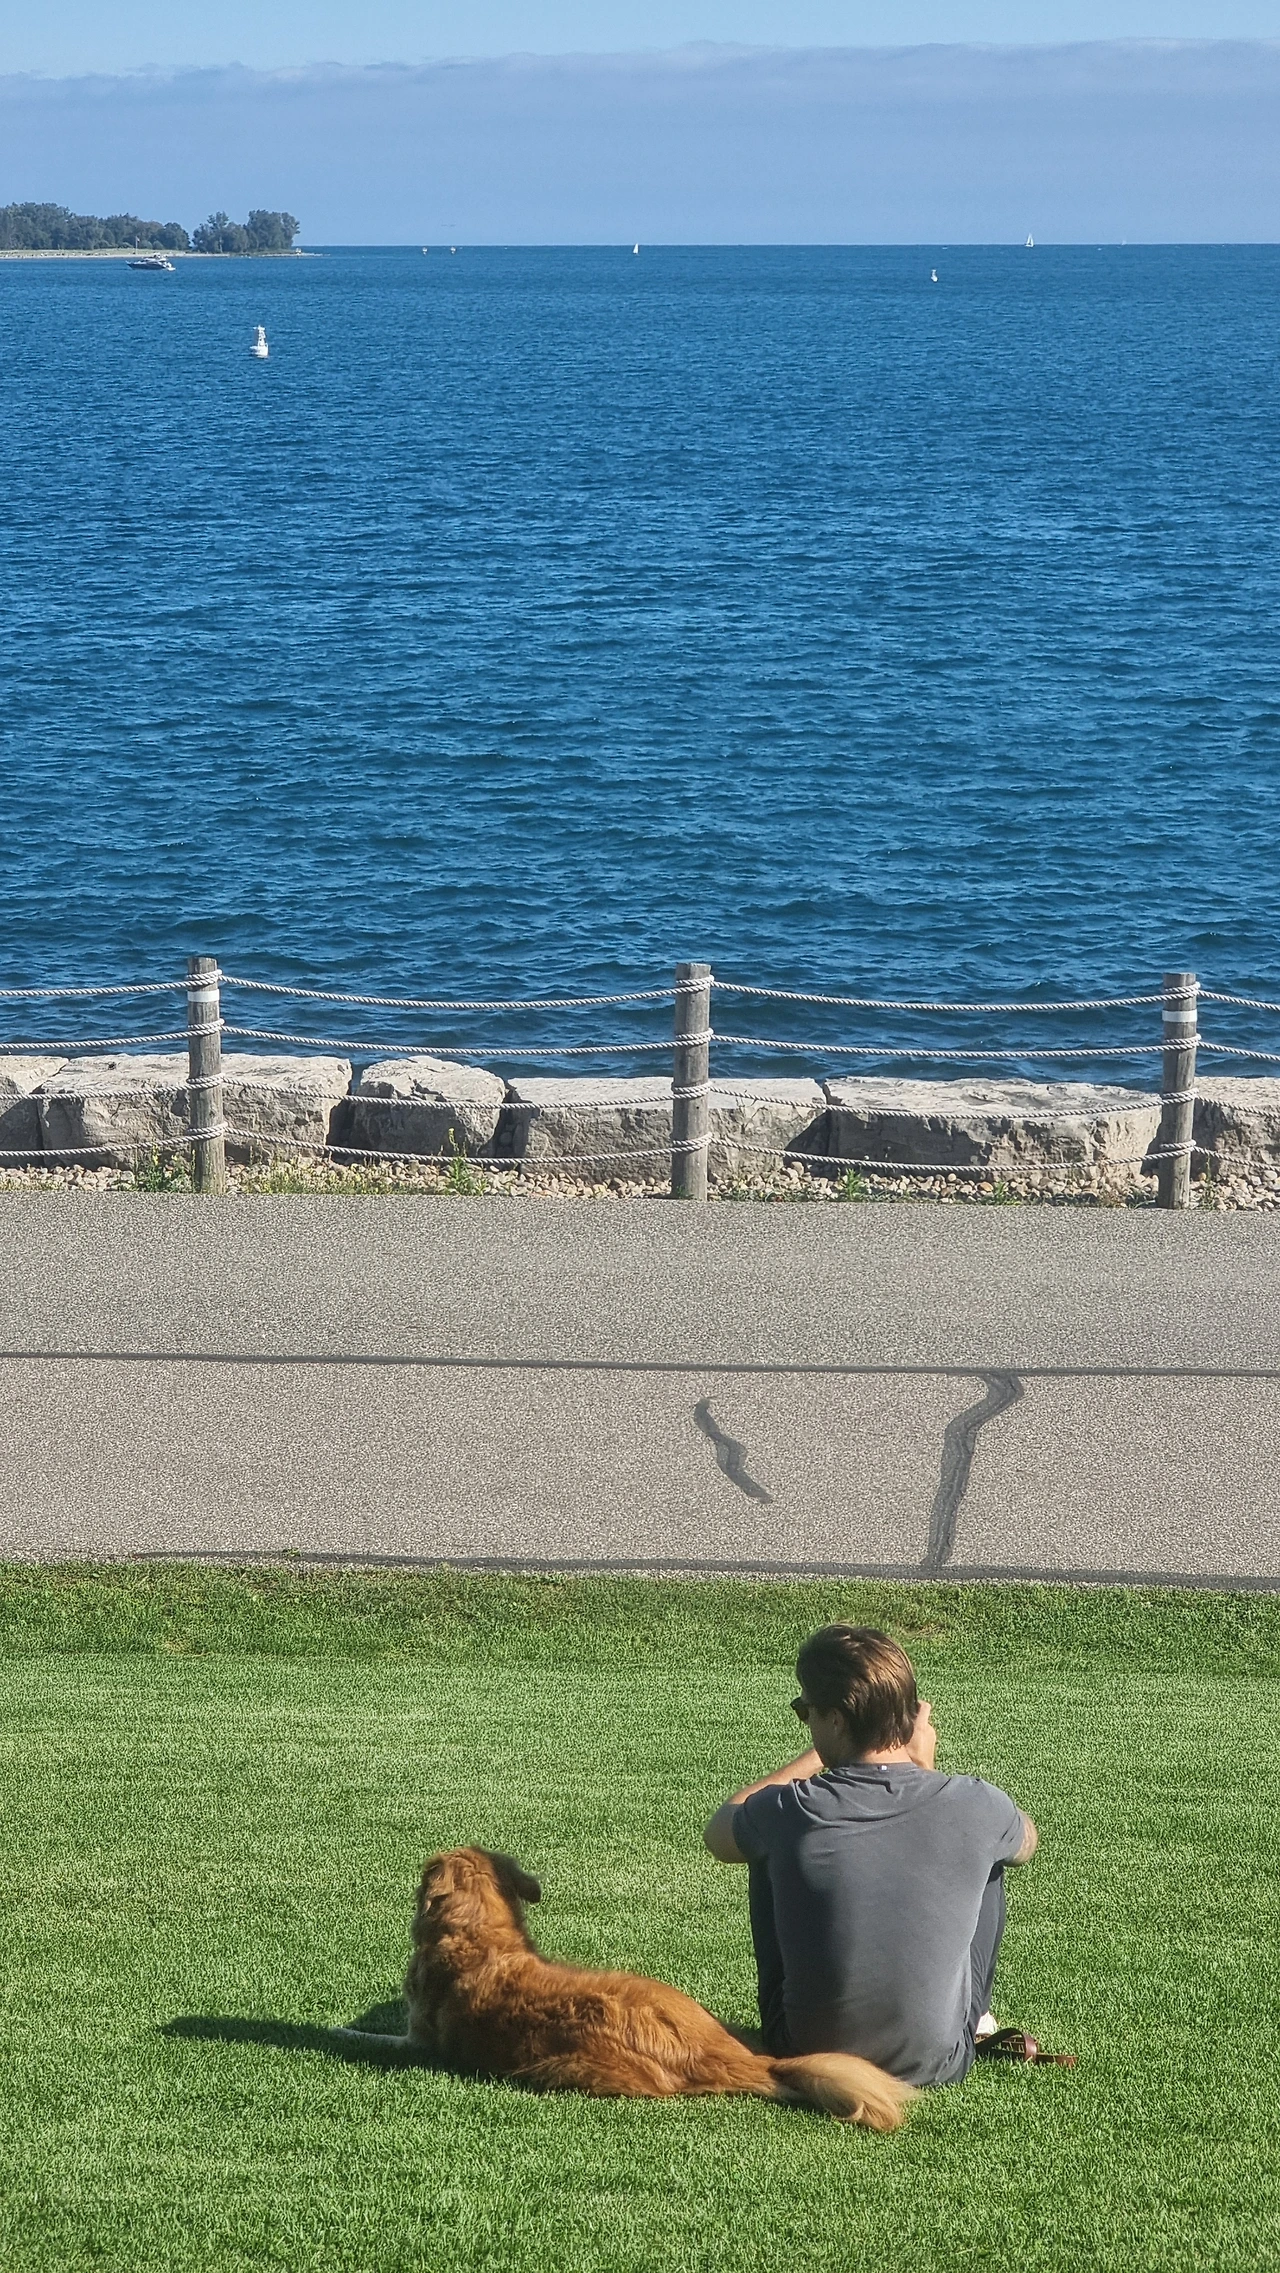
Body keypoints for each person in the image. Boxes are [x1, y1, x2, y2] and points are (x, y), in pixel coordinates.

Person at [703, 1623, 1043, 2087]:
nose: (807, 1722)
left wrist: (819, 1757)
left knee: (762, 1841)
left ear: (837, 1720)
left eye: (806, 1711)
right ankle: (973, 2015)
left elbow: (720, 1832)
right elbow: (1026, 1843)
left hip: (804, 2052)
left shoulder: (790, 1809)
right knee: (989, 1851)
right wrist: (925, 1770)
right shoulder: (977, 1803)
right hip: (934, 2064)